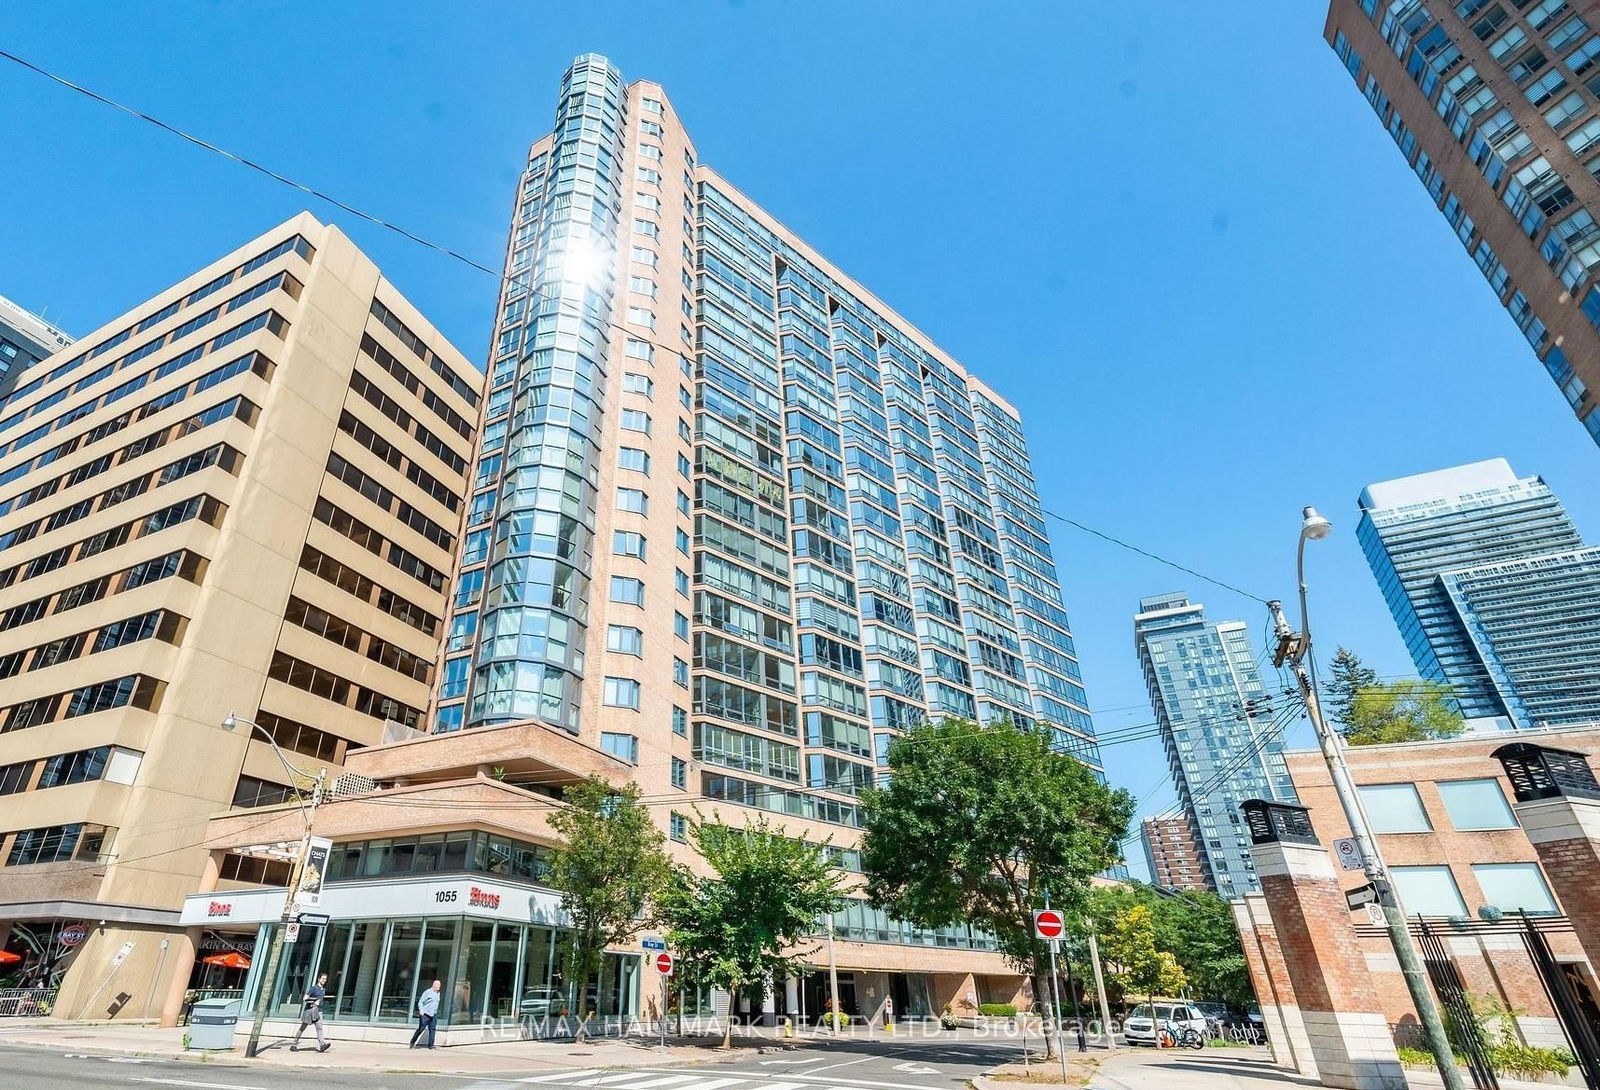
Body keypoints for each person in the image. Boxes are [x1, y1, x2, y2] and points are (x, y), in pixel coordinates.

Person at [291, 973, 330, 1052]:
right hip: (310, 1011)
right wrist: (314, 1002)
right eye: (323, 979)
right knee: (303, 1028)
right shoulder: (314, 988)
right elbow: (305, 998)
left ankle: (322, 1044)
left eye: (325, 979)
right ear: (319, 979)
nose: (324, 980)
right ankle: (294, 1044)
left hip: (318, 1011)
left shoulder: (323, 989)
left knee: (319, 1028)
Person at [409, 979, 441, 1049]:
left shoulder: (438, 993)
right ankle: (412, 1042)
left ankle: (431, 1045)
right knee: (421, 1029)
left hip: (433, 1014)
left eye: (440, 985)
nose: (439, 987)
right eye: (438, 985)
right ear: (434, 985)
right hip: (425, 1014)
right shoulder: (427, 992)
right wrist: (421, 1010)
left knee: (432, 1029)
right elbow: (420, 1002)